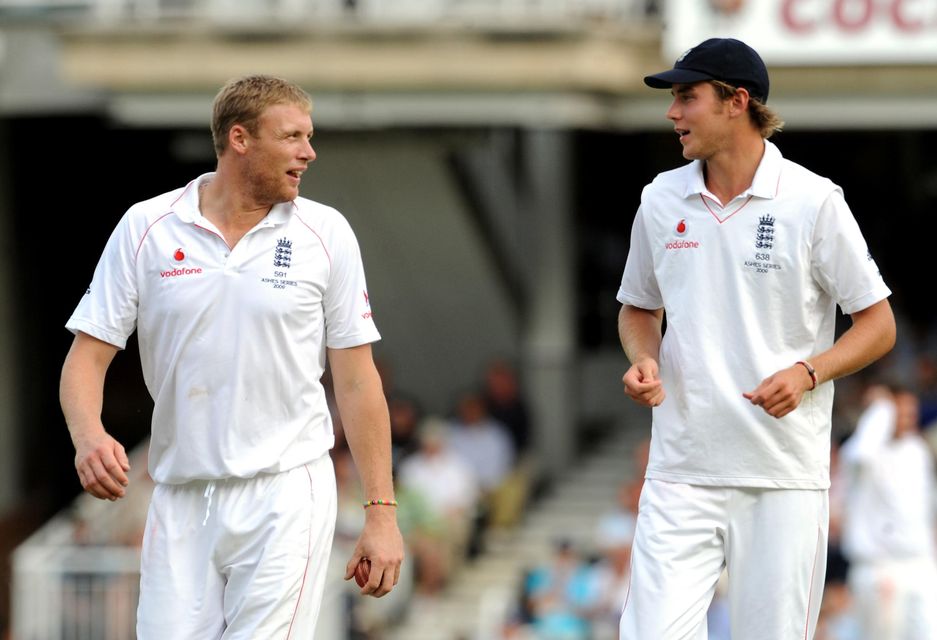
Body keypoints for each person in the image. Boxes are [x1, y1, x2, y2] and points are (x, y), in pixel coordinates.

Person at [59, 74, 404, 639]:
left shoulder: (327, 233)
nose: (308, 152)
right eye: (292, 136)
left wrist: (380, 512)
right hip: (179, 497)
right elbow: (87, 357)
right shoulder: (146, 227)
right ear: (240, 139)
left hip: (286, 492)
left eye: (309, 136)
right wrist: (88, 434)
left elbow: (359, 383)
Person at [616, 38, 896, 639]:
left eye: (686, 98)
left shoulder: (814, 200)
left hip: (782, 476)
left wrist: (809, 372)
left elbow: (878, 324)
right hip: (680, 471)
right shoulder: (660, 199)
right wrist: (644, 357)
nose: (673, 114)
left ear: (736, 101)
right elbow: (638, 306)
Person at [839, 385, 937, 639]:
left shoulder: (917, 451)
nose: (907, 418)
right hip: (878, 567)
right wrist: (882, 408)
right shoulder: (863, 452)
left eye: (911, 412)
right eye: (900, 411)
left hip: (921, 563)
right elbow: (861, 452)